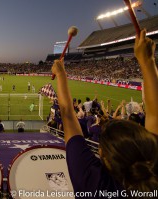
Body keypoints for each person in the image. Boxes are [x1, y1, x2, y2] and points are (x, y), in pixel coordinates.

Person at [51, 29, 158, 195]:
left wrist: (147, 61)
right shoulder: (152, 169)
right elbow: (155, 114)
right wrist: (147, 61)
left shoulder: (93, 183)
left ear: (103, 155)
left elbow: (66, 113)